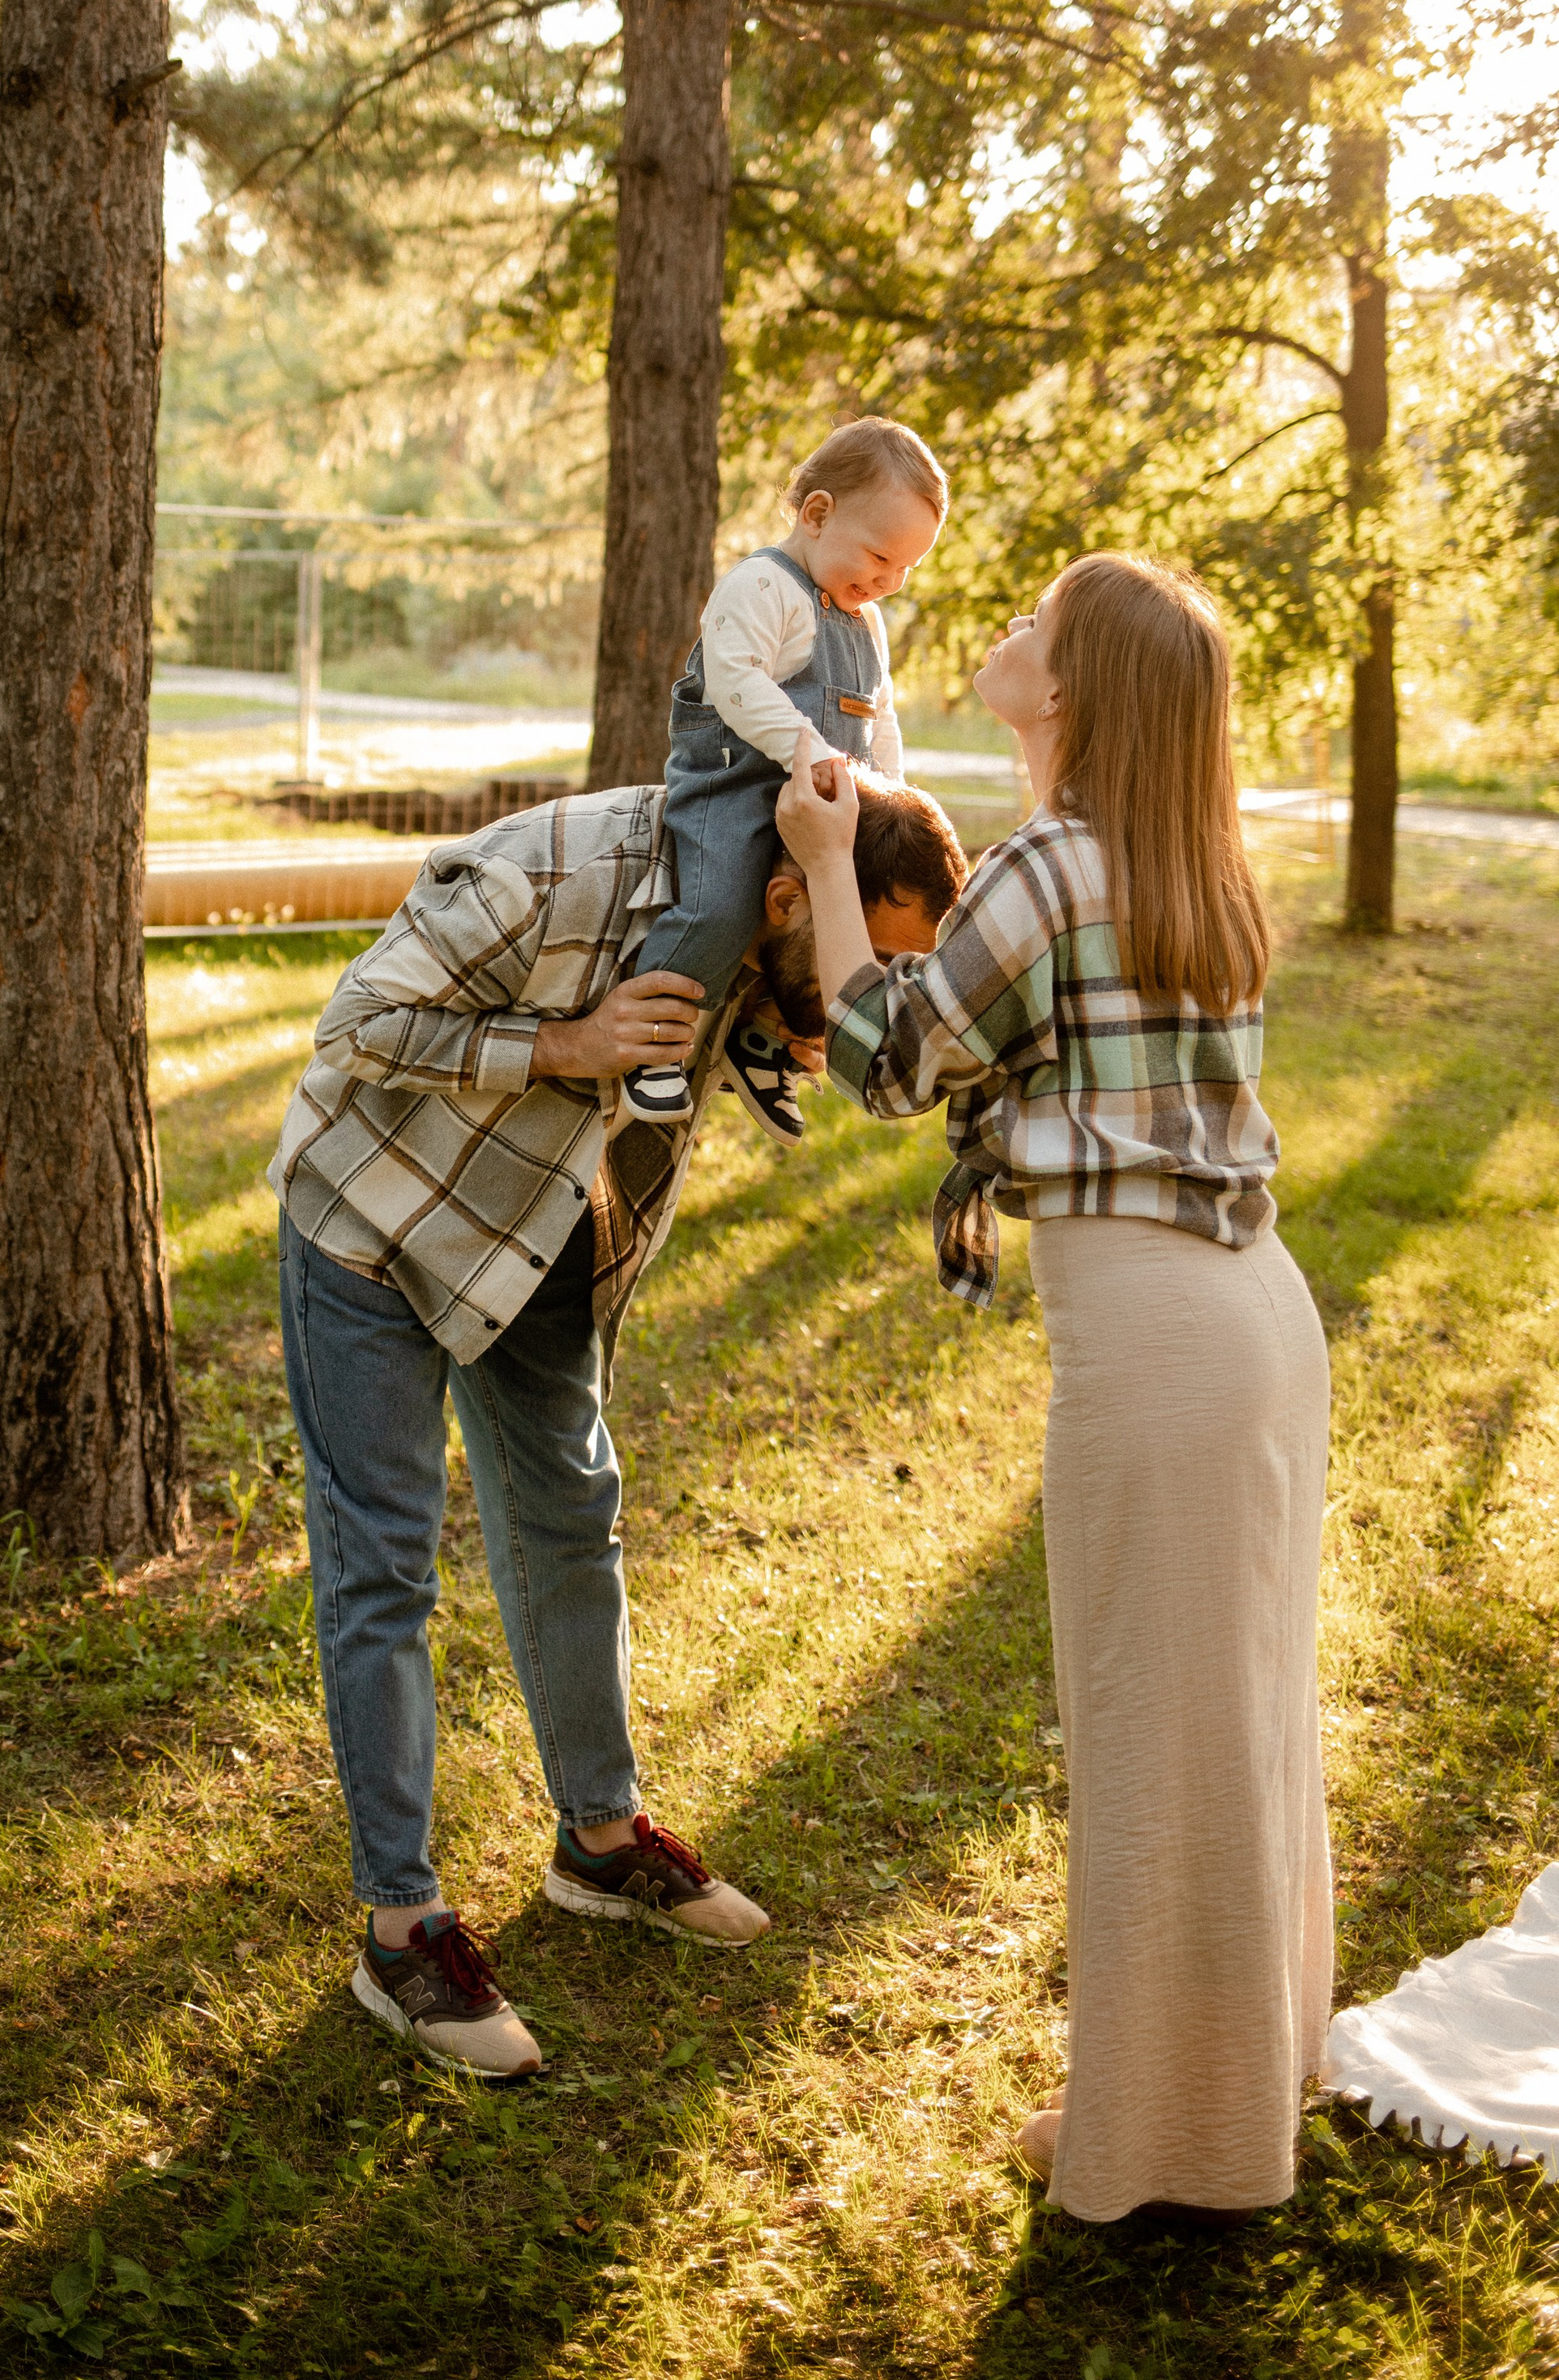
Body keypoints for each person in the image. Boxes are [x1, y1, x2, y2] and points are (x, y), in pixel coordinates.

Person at [775, 555, 1331, 2224]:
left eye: (1032, 622)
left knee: (1150, 1734)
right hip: (1253, 1318)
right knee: (1231, 1722)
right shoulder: (1183, 862)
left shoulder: (1049, 862)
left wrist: (817, 862)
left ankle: (1179, 2146)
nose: (1001, 631)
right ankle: (1218, 2080)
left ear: (1072, 689)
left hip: (1159, 1336)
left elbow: (883, 1056)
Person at [269, 775, 967, 2076]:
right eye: (858, 948)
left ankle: (598, 1842)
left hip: (536, 1238)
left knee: (572, 1517)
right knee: (385, 1568)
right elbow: (355, 1020)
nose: (862, 978)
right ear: (783, 894)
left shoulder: (764, 922)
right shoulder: (561, 868)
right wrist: (566, 1043)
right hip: (373, 1221)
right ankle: (401, 1928)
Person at [620, 416, 947, 1148]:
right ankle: (652, 1038)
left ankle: (765, 1038)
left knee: (830, 928)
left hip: (827, 802)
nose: (889, 581)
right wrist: (811, 750)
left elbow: (880, 715)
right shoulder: (764, 586)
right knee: (724, 906)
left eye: (907, 570)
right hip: (737, 786)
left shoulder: (866, 623)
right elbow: (734, 684)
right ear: (818, 513)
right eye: (879, 556)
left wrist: (885, 790)